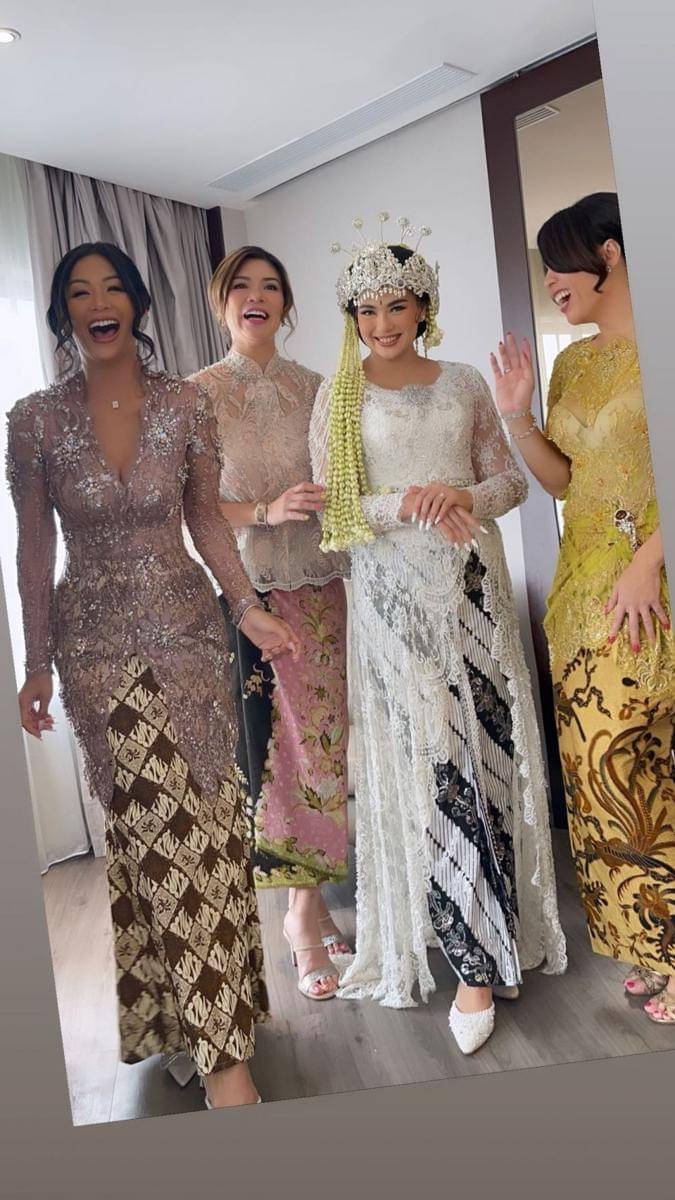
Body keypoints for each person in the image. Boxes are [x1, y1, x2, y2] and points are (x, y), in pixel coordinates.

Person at [6, 242, 300, 1108]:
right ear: (64, 314)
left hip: (190, 637)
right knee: (156, 834)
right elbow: (33, 548)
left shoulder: (184, 404)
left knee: (205, 829)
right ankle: (224, 1063)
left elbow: (205, 519)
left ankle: (200, 1019)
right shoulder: (33, 419)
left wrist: (244, 605)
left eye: (112, 288)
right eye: (79, 292)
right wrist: (33, 661)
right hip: (95, 651)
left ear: (135, 304)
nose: (98, 303)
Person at [309, 215, 567, 1054]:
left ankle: (493, 941)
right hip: (393, 610)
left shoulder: (461, 381)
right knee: (433, 770)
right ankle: (470, 961)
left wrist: (460, 497)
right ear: (351, 318)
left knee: (483, 760)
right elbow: (336, 514)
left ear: (422, 307)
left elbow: (508, 485)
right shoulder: (338, 396)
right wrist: (409, 502)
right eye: (366, 310)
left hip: (471, 592)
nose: (381, 323)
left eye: (396, 306)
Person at [490, 192, 675, 1026]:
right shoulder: (570, 363)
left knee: (638, 765)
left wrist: (646, 562)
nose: (550, 282)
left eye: (559, 262)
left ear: (608, 252)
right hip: (580, 595)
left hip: (647, 590)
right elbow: (563, 482)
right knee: (596, 777)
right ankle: (650, 940)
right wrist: (516, 417)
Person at [190, 246, 351, 1002]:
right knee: (273, 755)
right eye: (242, 286)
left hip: (323, 588)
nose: (257, 296)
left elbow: (345, 483)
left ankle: (308, 904)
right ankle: (301, 917)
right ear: (221, 301)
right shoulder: (195, 396)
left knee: (326, 748)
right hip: (249, 595)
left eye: (271, 286)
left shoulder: (317, 388)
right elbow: (190, 509)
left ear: (285, 304)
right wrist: (265, 508)